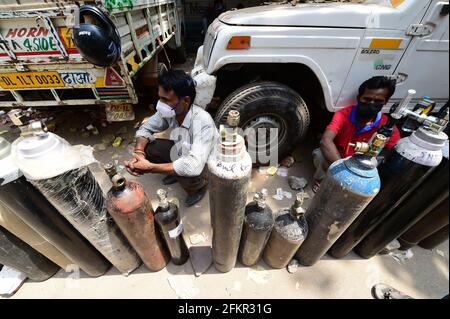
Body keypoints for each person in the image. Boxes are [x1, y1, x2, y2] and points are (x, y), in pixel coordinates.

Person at [124, 70, 219, 207]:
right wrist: (139, 153)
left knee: (187, 174)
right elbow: (145, 129)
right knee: (149, 148)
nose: (160, 104)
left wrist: (151, 168)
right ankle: (175, 172)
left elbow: (194, 166)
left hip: (203, 165)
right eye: (160, 98)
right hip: (182, 151)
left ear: (185, 100)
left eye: (166, 100)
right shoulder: (168, 112)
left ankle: (199, 188)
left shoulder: (203, 122)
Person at [312, 76, 400, 192]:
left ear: (386, 102)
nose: (371, 104)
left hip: (362, 164)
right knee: (319, 155)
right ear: (359, 98)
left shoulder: (387, 126)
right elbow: (325, 141)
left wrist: (373, 163)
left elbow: (395, 151)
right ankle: (323, 180)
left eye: (378, 101)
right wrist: (345, 172)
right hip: (338, 159)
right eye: (367, 99)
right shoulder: (344, 114)